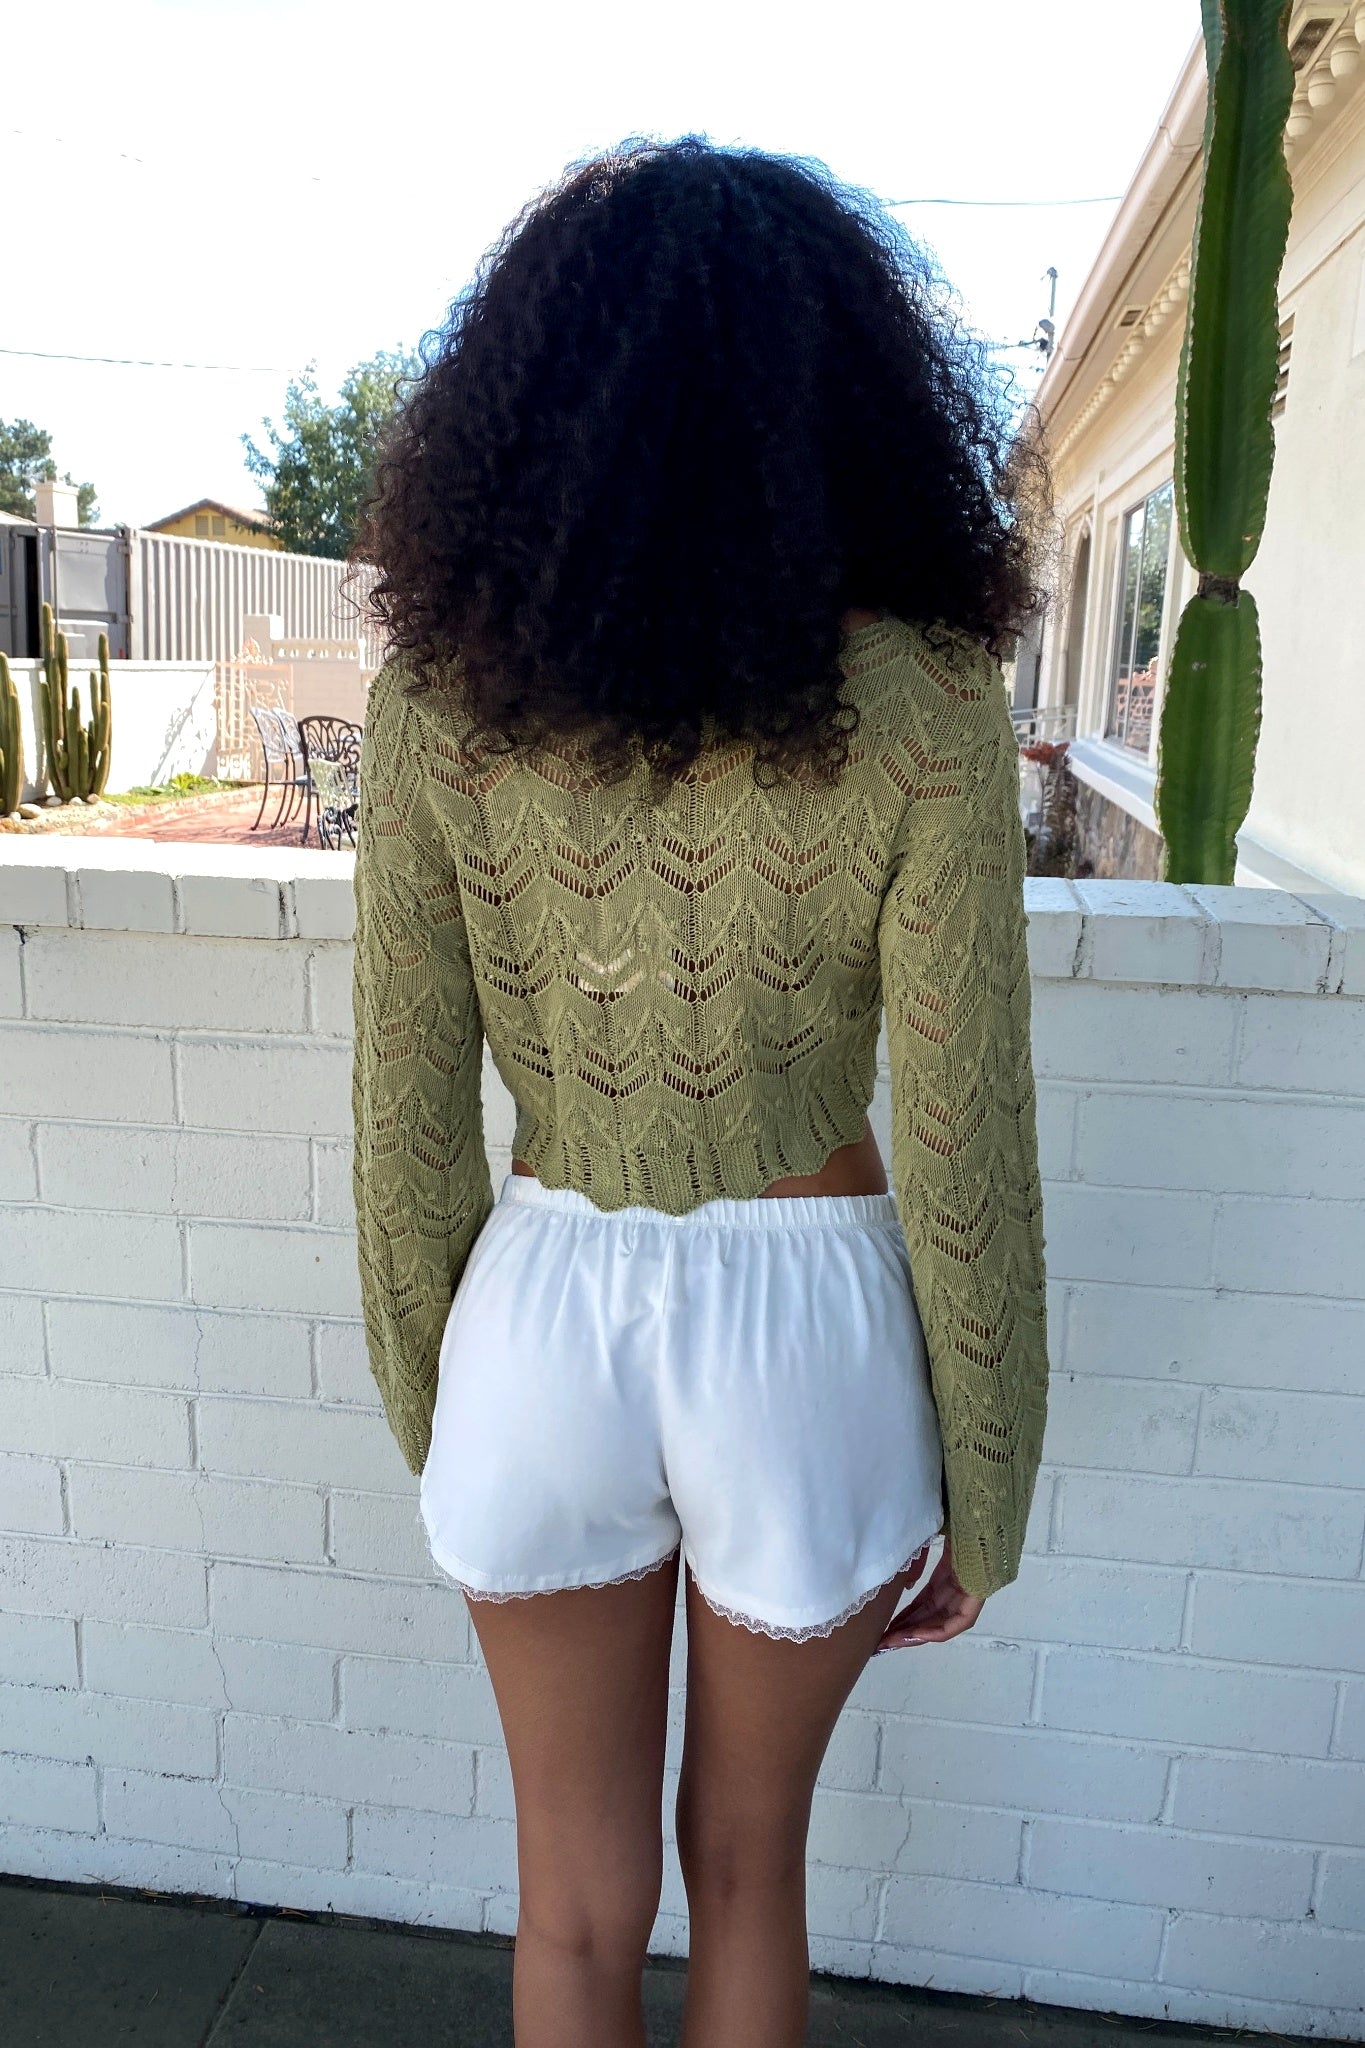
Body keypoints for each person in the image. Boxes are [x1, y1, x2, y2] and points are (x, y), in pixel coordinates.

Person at [349, 134, 1052, 2048]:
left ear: (531, 407)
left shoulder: (439, 711)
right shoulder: (924, 706)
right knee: (748, 1872)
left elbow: (405, 1133)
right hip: (809, 1332)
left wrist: (455, 1413)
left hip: (541, 1311)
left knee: (570, 1912)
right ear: (849, 399)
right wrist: (985, 1491)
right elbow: (971, 1134)